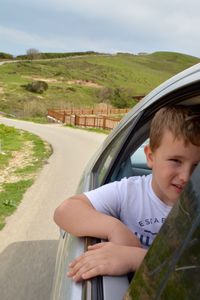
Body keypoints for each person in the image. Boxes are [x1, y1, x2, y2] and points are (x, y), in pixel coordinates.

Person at [54, 105, 200, 282]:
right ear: (150, 157)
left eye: (197, 166)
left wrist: (136, 258)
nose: (186, 176)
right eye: (175, 161)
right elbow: (65, 211)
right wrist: (114, 228)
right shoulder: (130, 192)